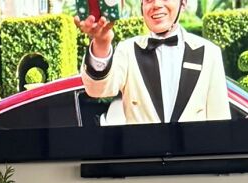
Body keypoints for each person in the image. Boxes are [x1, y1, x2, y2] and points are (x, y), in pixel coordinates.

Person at [76, 0, 230, 124]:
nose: (156, 4)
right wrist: (101, 43)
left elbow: (220, 122)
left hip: (192, 153)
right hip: (143, 152)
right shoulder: (128, 50)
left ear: (183, 3)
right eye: (148, 0)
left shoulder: (209, 52)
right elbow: (97, 90)